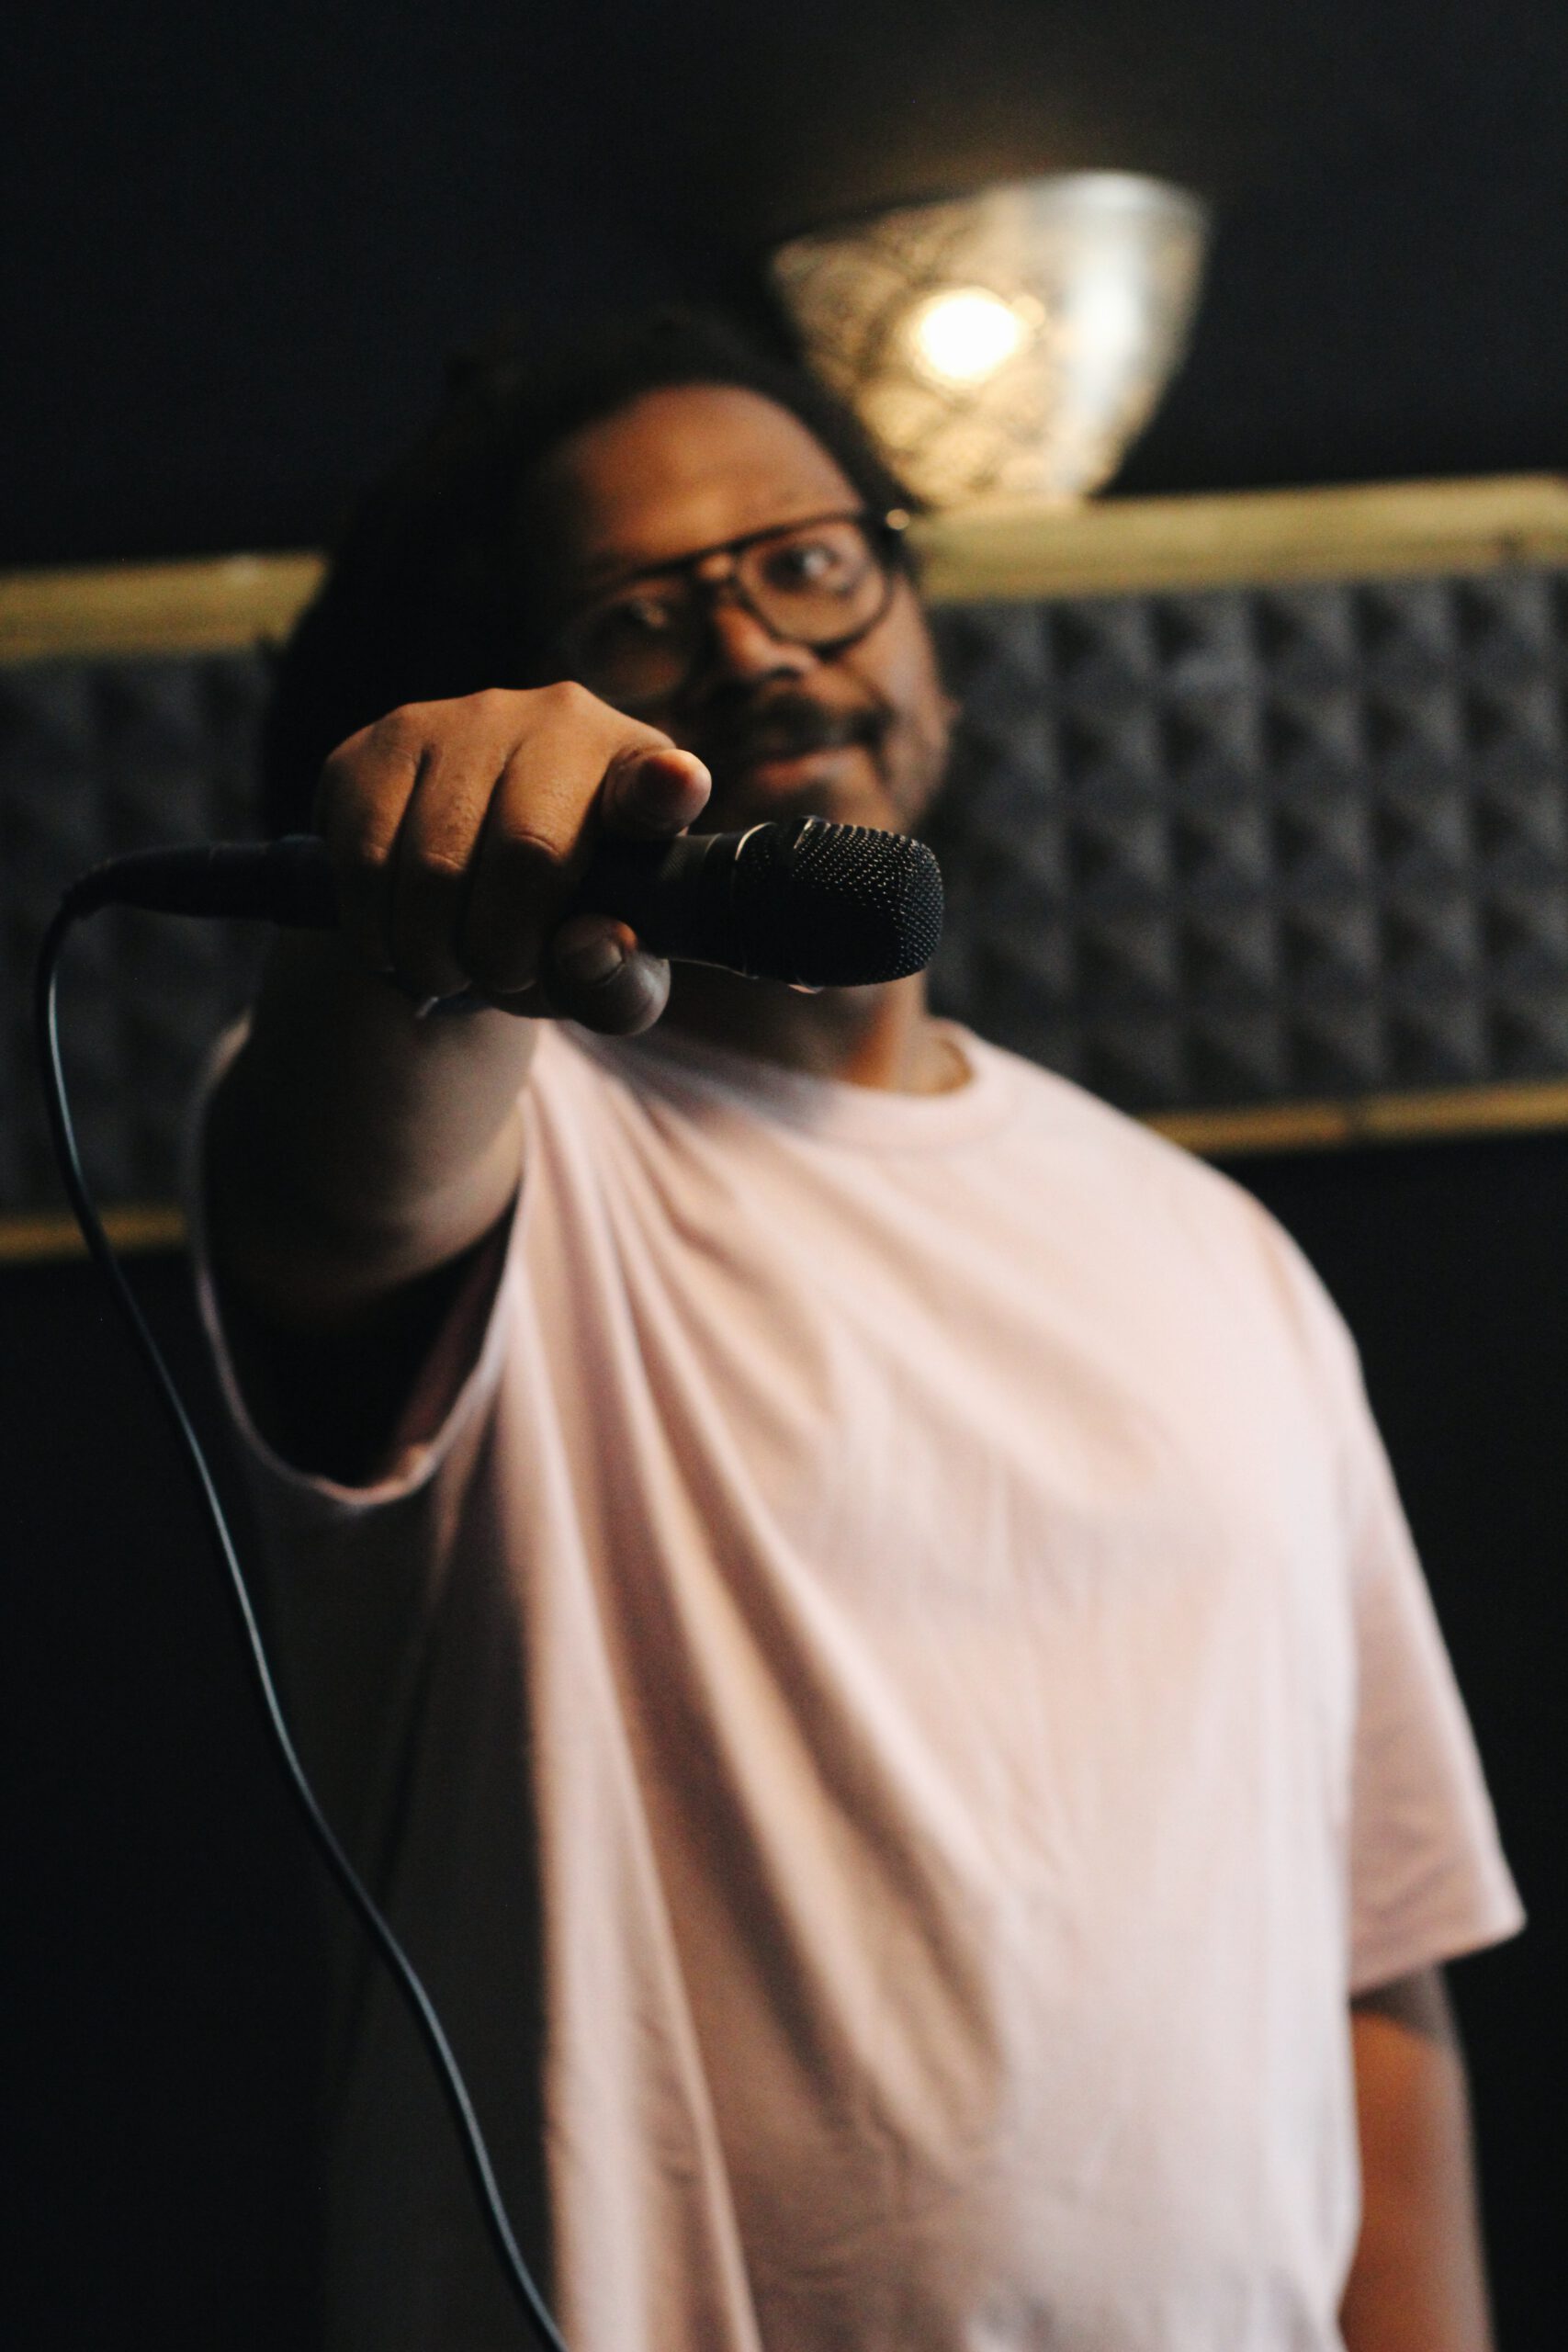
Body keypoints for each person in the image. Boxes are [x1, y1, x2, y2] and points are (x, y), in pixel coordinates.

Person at [198, 311, 1522, 2352]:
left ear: (922, 633)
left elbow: (1372, 1947)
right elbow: (343, 1166)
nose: (754, 645)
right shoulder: (512, 1147)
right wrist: (411, 926)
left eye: (809, 562)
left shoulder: (1218, 1253)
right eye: (642, 617)